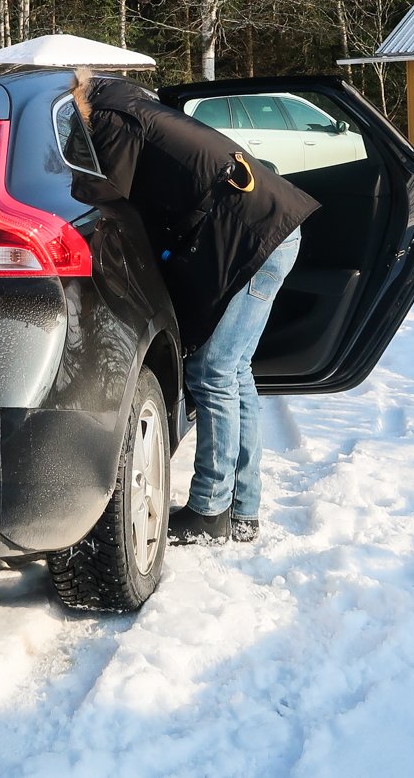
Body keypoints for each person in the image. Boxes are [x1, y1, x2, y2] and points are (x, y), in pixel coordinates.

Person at [76, 70, 318, 544]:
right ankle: (243, 509)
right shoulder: (136, 107)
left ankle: (209, 509)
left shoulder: (110, 119)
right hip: (272, 230)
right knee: (234, 371)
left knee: (213, 372)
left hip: (256, 239)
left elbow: (109, 198)